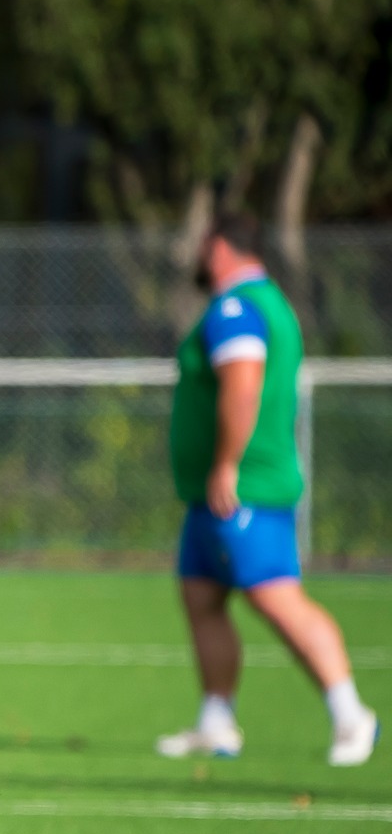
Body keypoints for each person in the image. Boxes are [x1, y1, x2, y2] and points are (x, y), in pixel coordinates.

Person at [156, 212, 376, 767]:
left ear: (218, 249)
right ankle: (216, 720)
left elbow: (243, 382)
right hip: (219, 492)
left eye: (205, 249)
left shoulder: (236, 307)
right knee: (202, 596)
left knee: (276, 596)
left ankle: (350, 713)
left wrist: (226, 463)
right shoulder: (261, 302)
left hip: (243, 486)